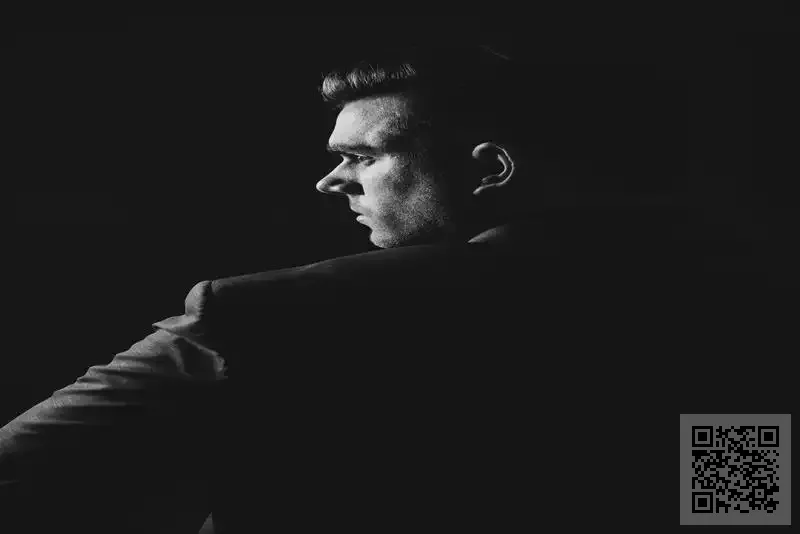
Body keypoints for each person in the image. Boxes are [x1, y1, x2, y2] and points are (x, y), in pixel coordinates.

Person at [0, 43, 781, 533]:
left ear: (488, 169)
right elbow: (742, 510)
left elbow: (19, 470)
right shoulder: (734, 307)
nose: (330, 181)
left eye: (362, 157)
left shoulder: (266, 317)